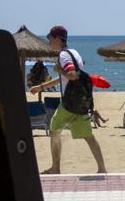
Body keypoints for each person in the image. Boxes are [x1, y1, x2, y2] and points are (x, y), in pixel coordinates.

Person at [28, 25, 106, 174]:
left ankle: (55, 168)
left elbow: (71, 75)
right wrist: (41, 87)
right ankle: (102, 168)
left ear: (57, 38)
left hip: (69, 103)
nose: (49, 41)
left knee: (54, 129)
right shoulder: (74, 53)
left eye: (50, 37)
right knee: (88, 136)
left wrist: (59, 70)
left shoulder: (63, 56)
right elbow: (65, 78)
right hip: (80, 101)